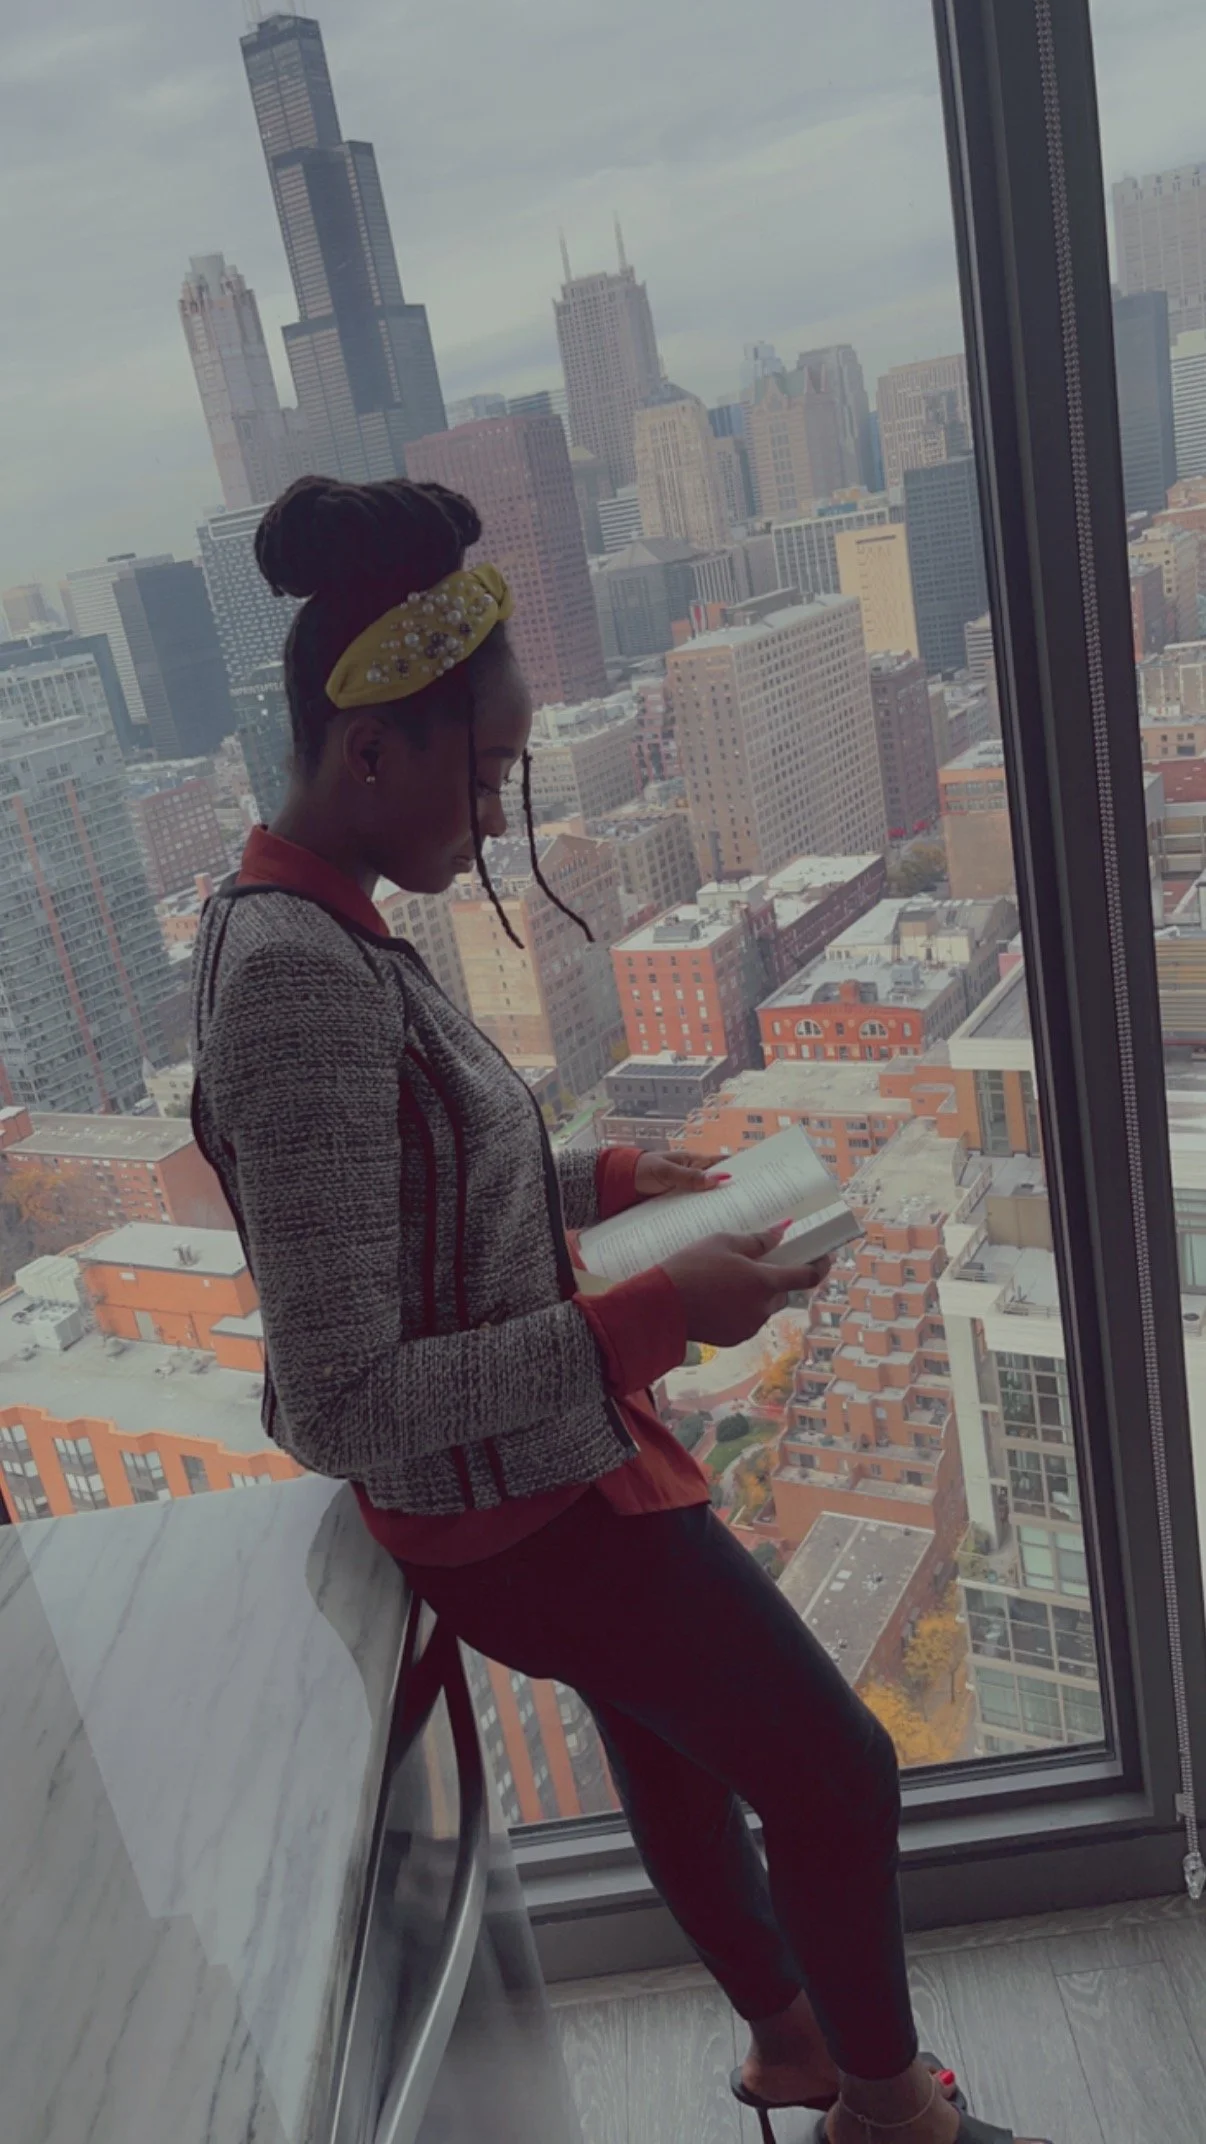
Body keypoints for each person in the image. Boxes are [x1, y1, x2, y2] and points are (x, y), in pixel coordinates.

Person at [190, 474, 1049, 2144]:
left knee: (670, 1754)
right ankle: (891, 2118)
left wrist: (601, 1188)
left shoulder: (324, 919)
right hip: (513, 1510)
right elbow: (340, 1398)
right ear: (374, 749)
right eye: (490, 773)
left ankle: (796, 2043)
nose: (500, 816)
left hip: (539, 1462)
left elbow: (420, 1175)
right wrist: (650, 1319)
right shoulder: (293, 977)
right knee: (832, 1771)